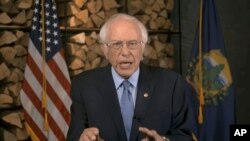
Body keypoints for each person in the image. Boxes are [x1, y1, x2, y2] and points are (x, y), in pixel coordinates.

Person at [67, 13, 193, 141]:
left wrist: (163, 140)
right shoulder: (84, 85)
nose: (125, 52)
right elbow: (74, 137)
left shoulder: (171, 84)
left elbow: (185, 137)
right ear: (104, 49)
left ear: (143, 47)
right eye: (116, 44)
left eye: (132, 43)